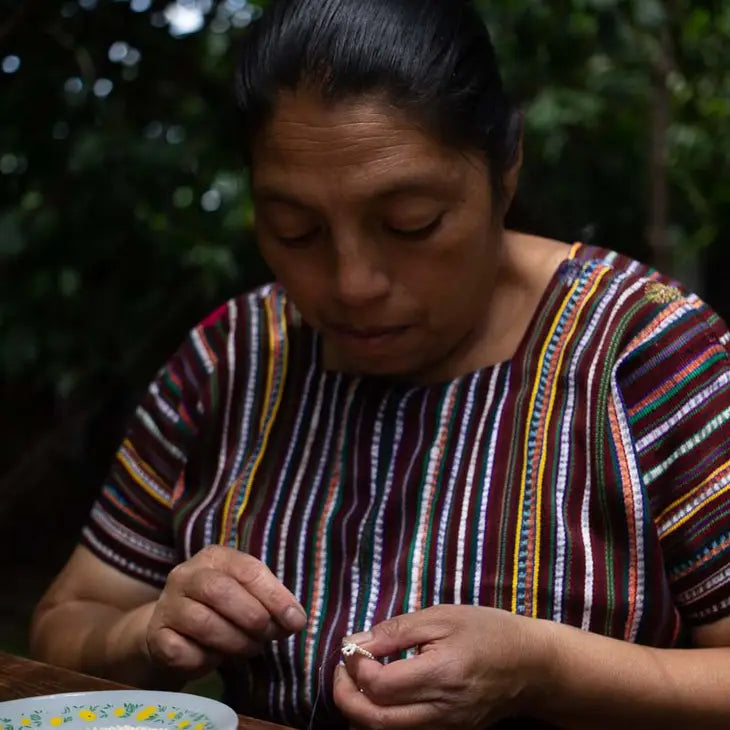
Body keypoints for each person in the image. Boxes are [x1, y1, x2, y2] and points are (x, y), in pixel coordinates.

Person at [29, 0, 730, 728]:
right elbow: (65, 622)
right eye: (296, 231)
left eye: (411, 224)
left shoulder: (649, 354)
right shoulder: (230, 360)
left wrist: (548, 668)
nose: (352, 283)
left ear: (506, 166)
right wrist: (145, 634)